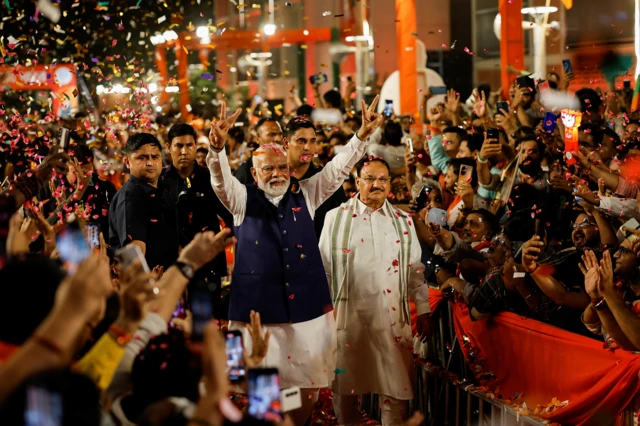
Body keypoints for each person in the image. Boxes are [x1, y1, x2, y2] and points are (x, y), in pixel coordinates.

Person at [205, 98, 383, 425]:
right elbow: (220, 180)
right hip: (260, 316)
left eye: (281, 167)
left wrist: (361, 135)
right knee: (262, 393)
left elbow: (338, 168)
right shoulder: (241, 199)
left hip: (306, 313)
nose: (276, 173)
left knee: (309, 391)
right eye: (267, 169)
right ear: (254, 173)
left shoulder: (309, 192)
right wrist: (217, 150)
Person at [319, 158, 432, 426]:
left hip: (391, 321)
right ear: (357, 183)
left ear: (390, 185)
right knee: (344, 390)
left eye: (382, 179)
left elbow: (415, 271)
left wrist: (424, 309)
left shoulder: (404, 222)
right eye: (369, 178)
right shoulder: (335, 218)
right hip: (348, 319)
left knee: (394, 389)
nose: (376, 184)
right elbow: (323, 271)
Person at [162, 123, 235, 318]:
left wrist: (217, 242)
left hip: (208, 264)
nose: (184, 151)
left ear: (196, 146)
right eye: (178, 146)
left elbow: (231, 218)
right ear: (168, 147)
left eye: (189, 145)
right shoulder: (160, 181)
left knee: (206, 324)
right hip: (173, 264)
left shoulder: (211, 178)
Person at [109, 133, 179, 270]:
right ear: (127, 162)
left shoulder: (162, 191)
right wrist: (148, 285)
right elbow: (135, 252)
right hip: (148, 285)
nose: (150, 163)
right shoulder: (130, 197)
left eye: (155, 157)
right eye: (142, 157)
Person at [284, 117, 348, 238]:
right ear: (286, 143)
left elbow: (341, 225)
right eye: (301, 141)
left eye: (312, 141)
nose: (308, 147)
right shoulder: (275, 179)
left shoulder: (327, 180)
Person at [234, 117, 283, 184]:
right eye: (272, 134)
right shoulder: (246, 171)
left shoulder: (287, 164)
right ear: (257, 139)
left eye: (280, 134)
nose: (279, 139)